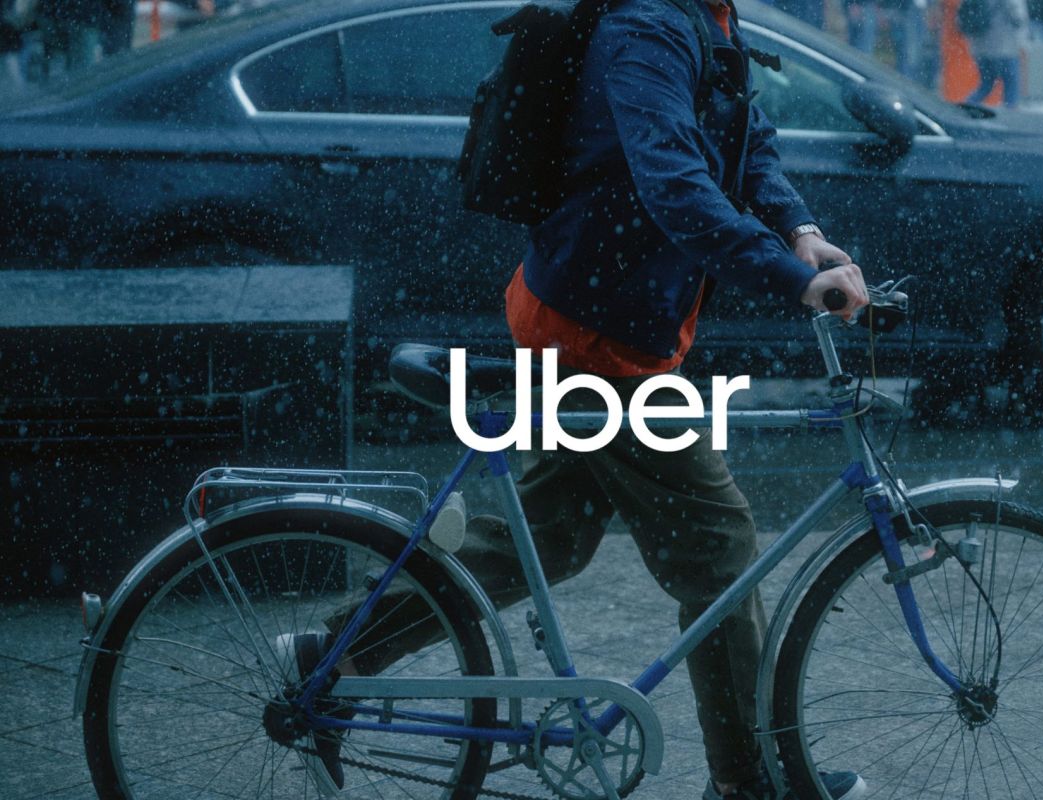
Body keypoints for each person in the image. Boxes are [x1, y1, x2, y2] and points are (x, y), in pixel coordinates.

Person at [282, 0, 871, 798]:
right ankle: (750, 779)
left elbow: (744, 135)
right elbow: (674, 183)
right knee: (720, 550)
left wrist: (798, 229)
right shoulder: (650, 27)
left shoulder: (708, 16)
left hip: (601, 312)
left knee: (550, 536)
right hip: (599, 333)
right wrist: (793, 280)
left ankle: (336, 651)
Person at [965, 0, 1030, 108]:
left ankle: (966, 106)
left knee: (985, 85)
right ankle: (1010, 114)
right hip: (1004, 49)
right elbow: (1018, 18)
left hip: (981, 49)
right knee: (1011, 86)